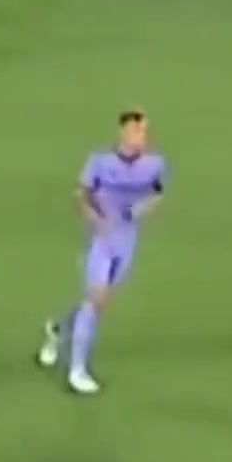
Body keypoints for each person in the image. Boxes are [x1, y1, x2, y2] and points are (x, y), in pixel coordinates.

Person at [37, 110, 167, 397]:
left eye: (144, 131)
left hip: (127, 243)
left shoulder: (155, 165)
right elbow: (79, 196)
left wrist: (140, 209)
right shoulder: (99, 162)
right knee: (95, 302)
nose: (142, 136)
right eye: (137, 131)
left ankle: (58, 330)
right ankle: (77, 371)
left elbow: (157, 194)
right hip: (100, 241)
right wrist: (96, 220)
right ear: (123, 132)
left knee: (97, 303)